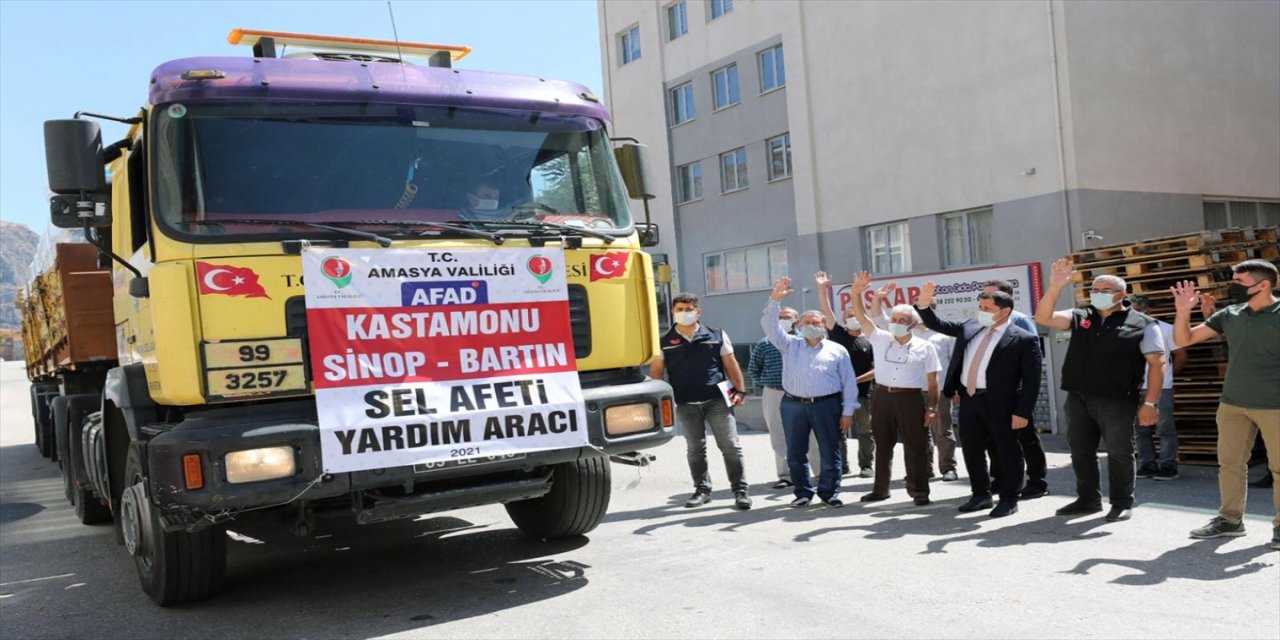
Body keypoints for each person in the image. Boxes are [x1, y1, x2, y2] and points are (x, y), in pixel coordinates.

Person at [1036, 260, 1165, 523]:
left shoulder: (1144, 323)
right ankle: (1088, 499)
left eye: (1106, 290)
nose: (1099, 294)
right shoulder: (1081, 316)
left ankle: (1121, 502)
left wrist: (1150, 403)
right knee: (1081, 450)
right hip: (1078, 396)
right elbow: (1044, 318)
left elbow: (1157, 364)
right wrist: (1055, 287)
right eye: (1096, 289)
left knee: (1118, 452)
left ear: (1123, 295)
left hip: (1117, 399)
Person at [1171, 260, 1279, 550]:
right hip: (1232, 404)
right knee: (1230, 464)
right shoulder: (1230, 314)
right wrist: (1184, 311)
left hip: (1275, 405)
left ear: (1263, 284)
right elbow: (1184, 338)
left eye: (1239, 281)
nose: (1233, 286)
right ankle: (1230, 521)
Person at [914, 283, 1042, 517]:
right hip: (969, 400)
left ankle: (1009, 498)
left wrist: (1022, 412)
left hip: (1001, 403)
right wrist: (923, 304)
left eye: (987, 308)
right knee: (972, 449)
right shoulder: (971, 327)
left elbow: (1032, 380)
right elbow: (937, 324)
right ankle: (981, 494)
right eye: (980, 306)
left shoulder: (1023, 339)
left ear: (1005, 312)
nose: (981, 311)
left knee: (1007, 451)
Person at [762, 277, 860, 508]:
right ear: (798, 326)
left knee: (829, 450)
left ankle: (829, 492)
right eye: (805, 322)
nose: (809, 325)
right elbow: (769, 326)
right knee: (795, 451)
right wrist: (774, 299)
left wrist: (848, 412)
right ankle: (803, 492)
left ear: (824, 325)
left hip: (827, 405)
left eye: (815, 322)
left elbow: (848, 382)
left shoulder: (837, 350)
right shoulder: (789, 345)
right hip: (793, 404)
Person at [650, 292, 751, 510]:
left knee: (731, 446)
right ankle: (702, 491)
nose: (684, 313)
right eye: (679, 309)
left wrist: (741, 391)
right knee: (695, 449)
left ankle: (740, 491)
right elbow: (657, 372)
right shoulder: (663, 341)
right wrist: (661, 402)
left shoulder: (716, 335)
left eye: (688, 309)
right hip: (685, 403)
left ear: (698, 312)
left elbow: (731, 365)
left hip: (717, 401)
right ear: (672, 312)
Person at [848, 272, 942, 506]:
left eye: (902, 320)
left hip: (910, 399)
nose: (896, 324)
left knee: (916, 446)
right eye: (894, 319)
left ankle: (920, 491)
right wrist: (857, 292)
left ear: (912, 323)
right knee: (883, 443)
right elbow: (860, 315)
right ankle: (880, 489)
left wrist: (932, 407)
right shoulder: (880, 338)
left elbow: (932, 380)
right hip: (881, 397)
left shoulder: (924, 346)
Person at [868, 284, 959, 482]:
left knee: (943, 429)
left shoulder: (944, 334)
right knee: (919, 434)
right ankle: (923, 469)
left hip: (939, 389)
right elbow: (877, 318)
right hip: (912, 392)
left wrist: (955, 389)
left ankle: (948, 467)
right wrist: (877, 299)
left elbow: (954, 362)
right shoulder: (904, 332)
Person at [982, 280, 1050, 500]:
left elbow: (1032, 354)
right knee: (994, 438)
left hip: (1015, 390)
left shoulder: (1019, 320)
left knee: (1026, 437)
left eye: (990, 296)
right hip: (991, 391)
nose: (984, 300)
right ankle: (1000, 479)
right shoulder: (983, 322)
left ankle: (1037, 482)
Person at [749, 305, 820, 489]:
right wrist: (770, 382)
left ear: (797, 321)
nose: (783, 319)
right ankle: (786, 475)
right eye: (780, 316)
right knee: (778, 434)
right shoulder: (764, 343)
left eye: (788, 317)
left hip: (802, 392)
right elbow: (753, 369)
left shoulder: (805, 341)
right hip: (774, 392)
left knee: (811, 433)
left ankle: (820, 473)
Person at [816, 272, 877, 478]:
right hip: (835, 393)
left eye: (855, 316)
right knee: (838, 432)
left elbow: (876, 369)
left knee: (865, 431)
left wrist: (853, 381)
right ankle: (841, 465)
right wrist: (822, 288)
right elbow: (826, 310)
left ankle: (866, 465)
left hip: (862, 393)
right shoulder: (838, 334)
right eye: (849, 317)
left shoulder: (870, 339)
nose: (852, 319)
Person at [1130, 294, 1187, 481]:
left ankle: (1168, 465)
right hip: (1133, 387)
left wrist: (1167, 377)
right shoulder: (1124, 329)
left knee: (1165, 428)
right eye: (1132, 308)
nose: (1135, 312)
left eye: (1139, 308)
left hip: (1162, 387)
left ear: (1149, 310)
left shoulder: (1165, 329)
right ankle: (1147, 463)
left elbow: (1180, 355)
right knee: (1140, 429)